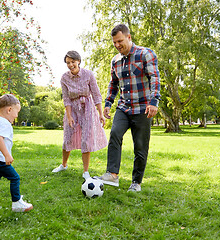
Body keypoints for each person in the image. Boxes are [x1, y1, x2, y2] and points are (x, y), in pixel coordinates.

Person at [98, 24, 161, 192]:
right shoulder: (115, 61)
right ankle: (112, 174)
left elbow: (154, 77)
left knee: (140, 147)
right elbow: (114, 84)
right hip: (124, 107)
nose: (118, 45)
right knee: (115, 134)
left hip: (143, 108)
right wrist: (108, 103)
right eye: (114, 43)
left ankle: (136, 182)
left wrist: (154, 101)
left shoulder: (145, 54)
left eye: (120, 41)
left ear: (129, 37)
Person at [52, 51, 108, 179]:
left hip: (87, 108)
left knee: (86, 139)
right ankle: (64, 165)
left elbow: (96, 95)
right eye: (68, 63)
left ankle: (85, 171)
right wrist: (69, 116)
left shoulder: (88, 74)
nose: (71, 65)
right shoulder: (64, 78)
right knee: (68, 137)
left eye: (73, 62)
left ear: (78, 61)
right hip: (72, 108)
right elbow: (66, 99)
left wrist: (100, 114)